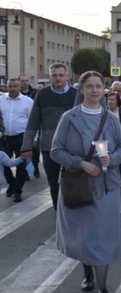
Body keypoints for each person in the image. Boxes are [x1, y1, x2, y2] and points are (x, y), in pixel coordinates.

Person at [51, 71, 121, 293]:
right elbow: (56, 151)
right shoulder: (69, 118)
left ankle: (103, 287)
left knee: (102, 235)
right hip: (79, 184)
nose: (94, 91)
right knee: (84, 235)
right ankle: (87, 273)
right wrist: (80, 163)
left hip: (107, 185)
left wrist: (110, 159)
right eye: (89, 86)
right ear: (81, 89)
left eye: (98, 86)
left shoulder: (112, 119)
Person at [21, 63, 77, 210]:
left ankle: (71, 213)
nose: (58, 78)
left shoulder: (76, 94)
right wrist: (26, 146)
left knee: (73, 182)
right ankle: (58, 213)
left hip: (72, 147)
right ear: (50, 76)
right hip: (49, 147)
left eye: (60, 75)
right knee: (54, 183)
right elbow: (33, 121)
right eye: (54, 75)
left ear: (67, 76)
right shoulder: (42, 94)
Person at [0, 78, 34, 202]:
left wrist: (33, 139)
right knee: (4, 163)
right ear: (7, 87)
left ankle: (18, 190)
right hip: (5, 138)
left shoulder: (28, 101)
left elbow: (33, 120)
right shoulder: (1, 100)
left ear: (19, 87)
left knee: (20, 164)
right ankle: (12, 183)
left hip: (22, 136)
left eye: (15, 86)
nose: (13, 89)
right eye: (10, 86)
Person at [18, 74, 40, 178]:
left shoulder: (35, 93)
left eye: (26, 80)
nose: (25, 82)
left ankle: (35, 168)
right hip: (20, 130)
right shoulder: (17, 95)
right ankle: (25, 172)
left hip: (33, 127)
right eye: (22, 81)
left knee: (35, 152)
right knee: (23, 152)